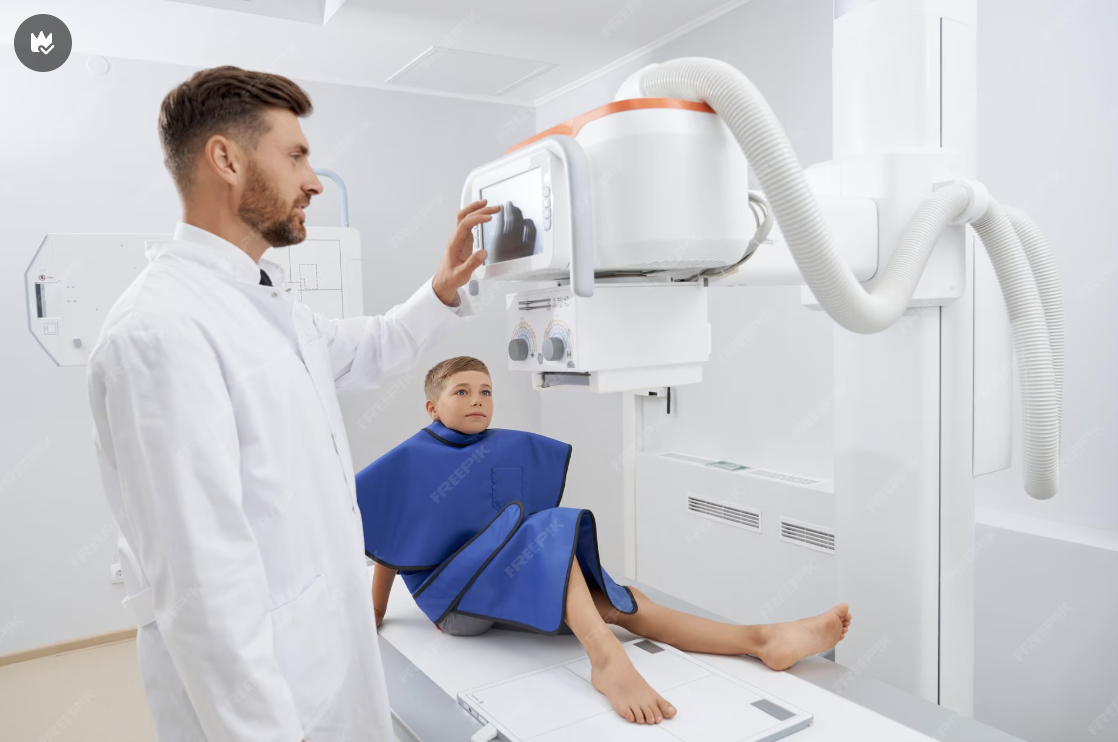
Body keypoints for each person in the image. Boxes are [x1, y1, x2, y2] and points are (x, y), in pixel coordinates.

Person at [88, 66, 497, 742]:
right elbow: (202, 585)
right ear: (226, 159)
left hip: (322, 644)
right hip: (262, 694)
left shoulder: (264, 301)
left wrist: (442, 288)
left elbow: (369, 348)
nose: (314, 181)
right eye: (297, 156)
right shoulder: (160, 331)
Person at [362, 356, 853, 726]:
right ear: (432, 407)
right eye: (462, 391)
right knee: (549, 526)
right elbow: (388, 538)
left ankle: (760, 640)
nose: (477, 400)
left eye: (486, 391)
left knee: (619, 603)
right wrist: (376, 611)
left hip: (497, 582)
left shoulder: (506, 445)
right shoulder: (411, 459)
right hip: (454, 603)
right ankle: (605, 658)